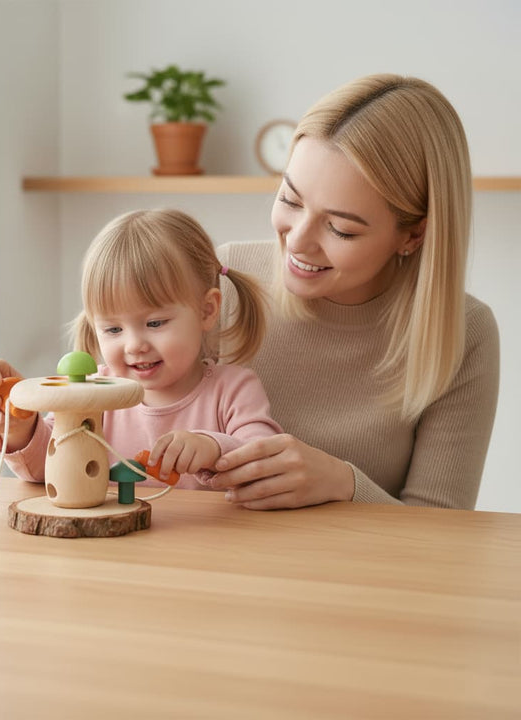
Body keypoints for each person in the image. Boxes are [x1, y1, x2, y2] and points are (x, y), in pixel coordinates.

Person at [209, 73, 499, 510]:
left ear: (414, 236)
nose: (299, 241)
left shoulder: (464, 333)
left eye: (341, 228)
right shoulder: (223, 282)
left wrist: (344, 483)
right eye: (290, 199)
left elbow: (444, 532)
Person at [0, 209, 283, 489]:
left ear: (206, 311)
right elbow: (45, 469)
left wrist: (212, 447)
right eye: (114, 329)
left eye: (156, 323)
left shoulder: (234, 390)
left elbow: (266, 459)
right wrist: (21, 426)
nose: (134, 345)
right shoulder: (91, 394)